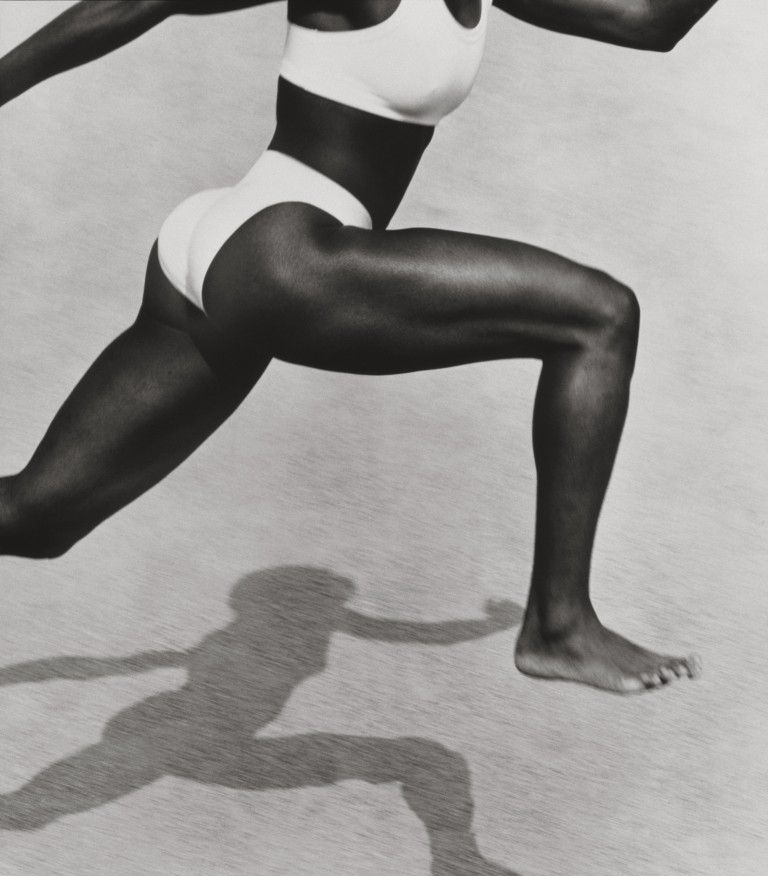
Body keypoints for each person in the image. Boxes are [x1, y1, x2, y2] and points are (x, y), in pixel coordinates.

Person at [0, 0, 718, 694]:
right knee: (599, 317)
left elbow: (650, 20)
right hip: (282, 252)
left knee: (37, 518)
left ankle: (558, 623)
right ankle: (558, 624)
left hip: (224, 250)